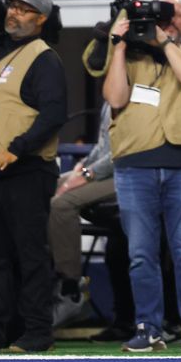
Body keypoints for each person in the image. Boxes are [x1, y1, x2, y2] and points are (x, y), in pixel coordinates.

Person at [102, 0, 181, 353]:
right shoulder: (129, 59)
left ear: (180, 23)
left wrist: (164, 42)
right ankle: (148, 327)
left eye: (171, 17)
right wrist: (118, 45)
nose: (163, 22)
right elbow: (115, 99)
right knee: (140, 254)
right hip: (134, 167)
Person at [0, 0, 67, 352]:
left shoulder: (43, 58)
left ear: (41, 19)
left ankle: (38, 330)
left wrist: (16, 149)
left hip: (26, 169)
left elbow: (54, 114)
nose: (13, 13)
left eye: (24, 9)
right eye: (11, 6)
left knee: (29, 254)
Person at [49, 101, 116, 328]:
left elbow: (121, 151)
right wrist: (83, 167)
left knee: (62, 204)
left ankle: (71, 289)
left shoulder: (134, 92)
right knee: (42, 190)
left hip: (128, 173)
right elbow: (103, 145)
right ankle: (40, 285)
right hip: (103, 169)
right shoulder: (110, 98)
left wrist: (87, 173)